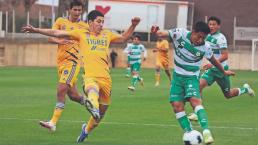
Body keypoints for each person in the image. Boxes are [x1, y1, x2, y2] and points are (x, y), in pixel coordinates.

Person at [22, 10, 140, 142]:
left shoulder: (107, 34)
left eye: (102, 22)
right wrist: (37, 30)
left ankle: (86, 130)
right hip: (90, 77)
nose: (101, 25)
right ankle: (92, 106)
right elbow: (57, 32)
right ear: (90, 22)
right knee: (92, 90)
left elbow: (123, 38)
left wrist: (133, 25)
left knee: (100, 115)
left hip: (106, 79)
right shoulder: (81, 34)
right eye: (98, 22)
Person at [151, 21, 235, 144]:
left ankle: (206, 132)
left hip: (191, 77)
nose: (200, 40)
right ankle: (189, 132)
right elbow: (163, 33)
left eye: (203, 38)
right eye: (199, 36)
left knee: (195, 101)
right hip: (177, 78)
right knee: (176, 106)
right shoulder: (180, 34)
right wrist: (156, 32)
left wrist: (224, 72)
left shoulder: (205, 47)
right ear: (193, 31)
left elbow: (215, 61)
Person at [188, 16, 255, 121]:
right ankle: (197, 112)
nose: (211, 26)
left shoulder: (221, 38)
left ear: (218, 26)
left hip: (221, 70)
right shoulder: (206, 36)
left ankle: (245, 89)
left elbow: (225, 56)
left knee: (228, 94)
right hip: (211, 70)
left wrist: (213, 64)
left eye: (214, 24)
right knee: (198, 86)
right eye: (210, 24)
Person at [39, 0, 88, 132]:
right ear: (69, 10)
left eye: (79, 10)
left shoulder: (84, 26)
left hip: (73, 62)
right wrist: (59, 40)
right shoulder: (61, 21)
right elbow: (50, 37)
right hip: (61, 62)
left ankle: (53, 122)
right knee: (73, 95)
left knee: (61, 89)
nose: (77, 13)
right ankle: (93, 105)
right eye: (75, 10)